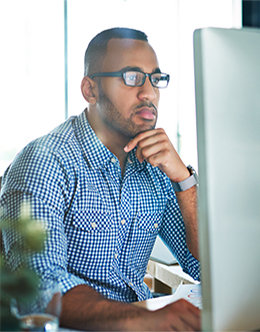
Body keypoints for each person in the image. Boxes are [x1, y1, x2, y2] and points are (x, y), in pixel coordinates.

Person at [0, 27, 201, 331]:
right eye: (131, 77)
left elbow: (205, 266)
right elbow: (41, 290)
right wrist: (143, 319)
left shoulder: (156, 166)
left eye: (155, 79)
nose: (148, 93)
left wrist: (184, 181)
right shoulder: (46, 161)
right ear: (90, 90)